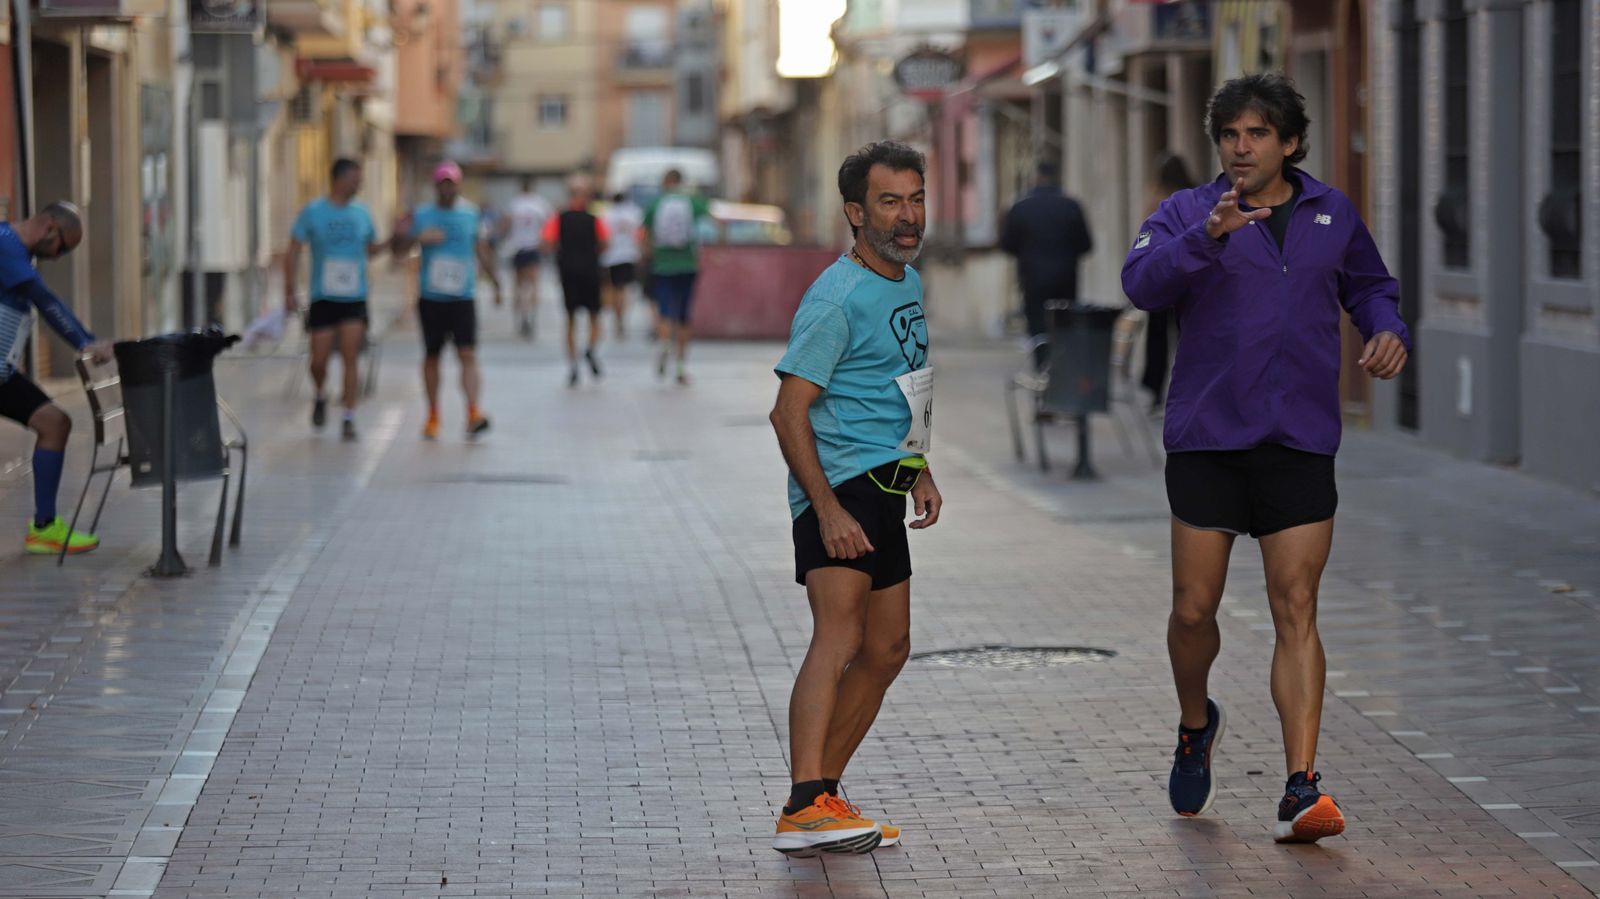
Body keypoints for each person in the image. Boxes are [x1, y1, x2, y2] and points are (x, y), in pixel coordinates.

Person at [1122, 73, 1410, 844]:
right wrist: (1206, 237)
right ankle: (1195, 723)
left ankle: (1301, 786)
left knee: (1296, 604)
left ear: (1289, 142)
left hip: (1299, 438)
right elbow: (1140, 284)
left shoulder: (1331, 212)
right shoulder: (1187, 211)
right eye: (1230, 134)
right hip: (1209, 438)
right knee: (1193, 609)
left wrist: (1388, 329)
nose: (1241, 147)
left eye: (1256, 134)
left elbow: (1372, 287)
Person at [769, 141, 941, 858]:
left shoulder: (906, 280)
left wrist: (919, 466)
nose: (908, 216)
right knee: (838, 639)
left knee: (888, 647)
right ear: (855, 212)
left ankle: (825, 795)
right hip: (840, 487)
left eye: (915, 199)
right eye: (889, 201)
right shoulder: (836, 299)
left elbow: (903, 384)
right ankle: (803, 804)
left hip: (886, 484)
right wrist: (826, 510)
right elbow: (788, 412)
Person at [0, 202, 114, 554]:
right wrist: (85, 342)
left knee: (55, 423)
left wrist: (90, 340)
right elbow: (46, 301)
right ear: (49, 227)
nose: (59, 256)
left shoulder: (19, 254)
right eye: (62, 247)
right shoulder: (4, 244)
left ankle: (44, 528)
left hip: (2, 375)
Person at [393, 161, 503, 440]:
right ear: (435, 186)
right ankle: (433, 415)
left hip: (462, 296)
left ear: (459, 185)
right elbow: (398, 250)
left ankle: (473, 412)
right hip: (432, 297)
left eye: (451, 183)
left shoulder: (470, 214)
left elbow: (481, 249)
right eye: (442, 183)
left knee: (468, 354)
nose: (447, 188)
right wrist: (418, 238)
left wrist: (495, 281)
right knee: (432, 356)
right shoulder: (421, 214)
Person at [284, 158, 387, 441]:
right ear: (338, 179)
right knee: (318, 361)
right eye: (355, 179)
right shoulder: (313, 211)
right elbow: (293, 249)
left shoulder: (363, 213)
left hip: (355, 297)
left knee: (351, 356)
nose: (359, 184)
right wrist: (289, 290)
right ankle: (320, 393)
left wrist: (394, 239)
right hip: (323, 296)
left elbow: (372, 249)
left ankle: (349, 416)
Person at [999, 160, 1093, 368]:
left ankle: (1042, 368)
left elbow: (1007, 244)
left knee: (1038, 326)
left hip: (1033, 278)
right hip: (1066, 277)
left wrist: (1027, 253)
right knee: (1064, 323)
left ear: (1036, 178)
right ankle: (1063, 368)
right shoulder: (1071, 206)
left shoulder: (1021, 207)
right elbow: (1086, 245)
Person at [1138, 153, 1197, 411]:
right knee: (1189, 337)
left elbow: (1147, 235)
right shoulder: (1196, 197)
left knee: (1158, 337)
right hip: (1190, 277)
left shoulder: (1157, 198)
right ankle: (1190, 391)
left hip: (1162, 276)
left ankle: (1155, 392)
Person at [641, 169, 710, 385]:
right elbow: (711, 218)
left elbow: (644, 234)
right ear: (680, 181)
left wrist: (648, 254)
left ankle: (664, 344)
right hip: (688, 264)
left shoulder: (655, 204)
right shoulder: (691, 201)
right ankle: (680, 366)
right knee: (683, 316)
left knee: (664, 311)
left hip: (662, 265)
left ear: (664, 182)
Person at [542, 175, 610, 387]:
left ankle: (573, 364)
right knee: (594, 317)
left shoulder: (559, 218)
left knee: (571, 319)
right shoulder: (594, 219)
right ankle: (590, 349)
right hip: (590, 270)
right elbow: (605, 243)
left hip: (568, 271)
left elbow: (547, 243)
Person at [501, 175, 554, 340]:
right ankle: (531, 315)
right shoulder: (539, 203)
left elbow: (506, 225)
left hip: (518, 247)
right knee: (533, 285)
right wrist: (545, 243)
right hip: (533, 247)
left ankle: (521, 316)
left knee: (518, 286)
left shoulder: (514, 203)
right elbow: (549, 223)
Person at [600, 192, 644, 338]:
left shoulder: (607, 214)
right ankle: (621, 317)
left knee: (614, 288)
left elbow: (603, 236)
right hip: (628, 254)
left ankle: (617, 317)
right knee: (623, 289)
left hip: (611, 256)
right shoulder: (634, 213)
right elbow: (640, 233)